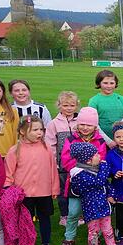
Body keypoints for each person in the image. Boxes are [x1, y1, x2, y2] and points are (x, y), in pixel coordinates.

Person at [4, 115, 60, 245]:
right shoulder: (14, 150)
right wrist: (9, 191)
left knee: (45, 218)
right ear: (22, 131)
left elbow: (53, 170)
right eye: (35, 130)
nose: (39, 133)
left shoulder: (46, 148)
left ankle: (46, 244)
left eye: (41, 129)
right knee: (26, 222)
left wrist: (54, 187)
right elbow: (8, 173)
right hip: (24, 194)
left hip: (44, 192)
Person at [57, 107, 107, 245]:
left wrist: (85, 166)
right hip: (76, 184)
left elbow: (101, 160)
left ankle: (95, 237)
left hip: (94, 185)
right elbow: (66, 161)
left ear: (95, 126)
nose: (85, 128)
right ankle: (69, 238)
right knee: (73, 213)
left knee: (94, 213)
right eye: (82, 124)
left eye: (89, 125)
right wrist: (85, 167)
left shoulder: (100, 140)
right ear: (77, 124)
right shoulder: (71, 139)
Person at [68, 142, 123, 245]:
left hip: (104, 207)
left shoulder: (96, 169)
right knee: (93, 232)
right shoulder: (80, 174)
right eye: (96, 154)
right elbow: (98, 182)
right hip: (91, 209)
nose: (100, 156)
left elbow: (106, 184)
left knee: (108, 229)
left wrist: (111, 195)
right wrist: (105, 168)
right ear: (88, 161)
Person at [44, 91, 79, 226]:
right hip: (62, 165)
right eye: (65, 105)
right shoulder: (54, 123)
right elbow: (50, 144)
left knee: (78, 189)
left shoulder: (80, 121)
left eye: (72, 105)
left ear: (76, 106)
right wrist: (54, 162)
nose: (69, 108)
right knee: (63, 192)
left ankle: (79, 214)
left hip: (78, 164)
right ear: (59, 105)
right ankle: (64, 215)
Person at [88, 69, 123, 147]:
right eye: (105, 83)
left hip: (121, 140)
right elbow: (94, 124)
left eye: (112, 83)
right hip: (101, 140)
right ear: (99, 83)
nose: (109, 86)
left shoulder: (121, 99)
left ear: (115, 84)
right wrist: (108, 141)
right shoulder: (94, 100)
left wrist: (122, 138)